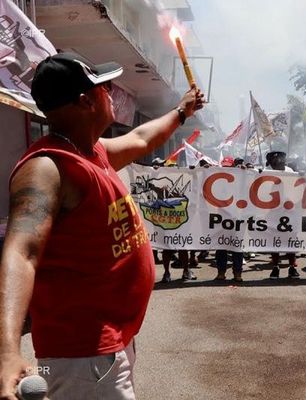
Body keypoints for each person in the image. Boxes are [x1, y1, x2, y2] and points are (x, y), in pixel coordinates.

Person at [0, 52, 203, 400]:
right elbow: (22, 253)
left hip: (108, 346)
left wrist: (182, 111)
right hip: (83, 356)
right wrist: (7, 352)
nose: (111, 94)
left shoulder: (91, 152)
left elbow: (141, 139)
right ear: (86, 101)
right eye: (105, 88)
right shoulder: (48, 167)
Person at [264, 151, 300, 279]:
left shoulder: (290, 172)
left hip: (290, 213)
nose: (277, 164)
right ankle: (275, 267)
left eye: (279, 161)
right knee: (275, 241)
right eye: (274, 163)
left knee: (290, 240)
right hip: (273, 213)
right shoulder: (266, 172)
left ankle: (292, 267)